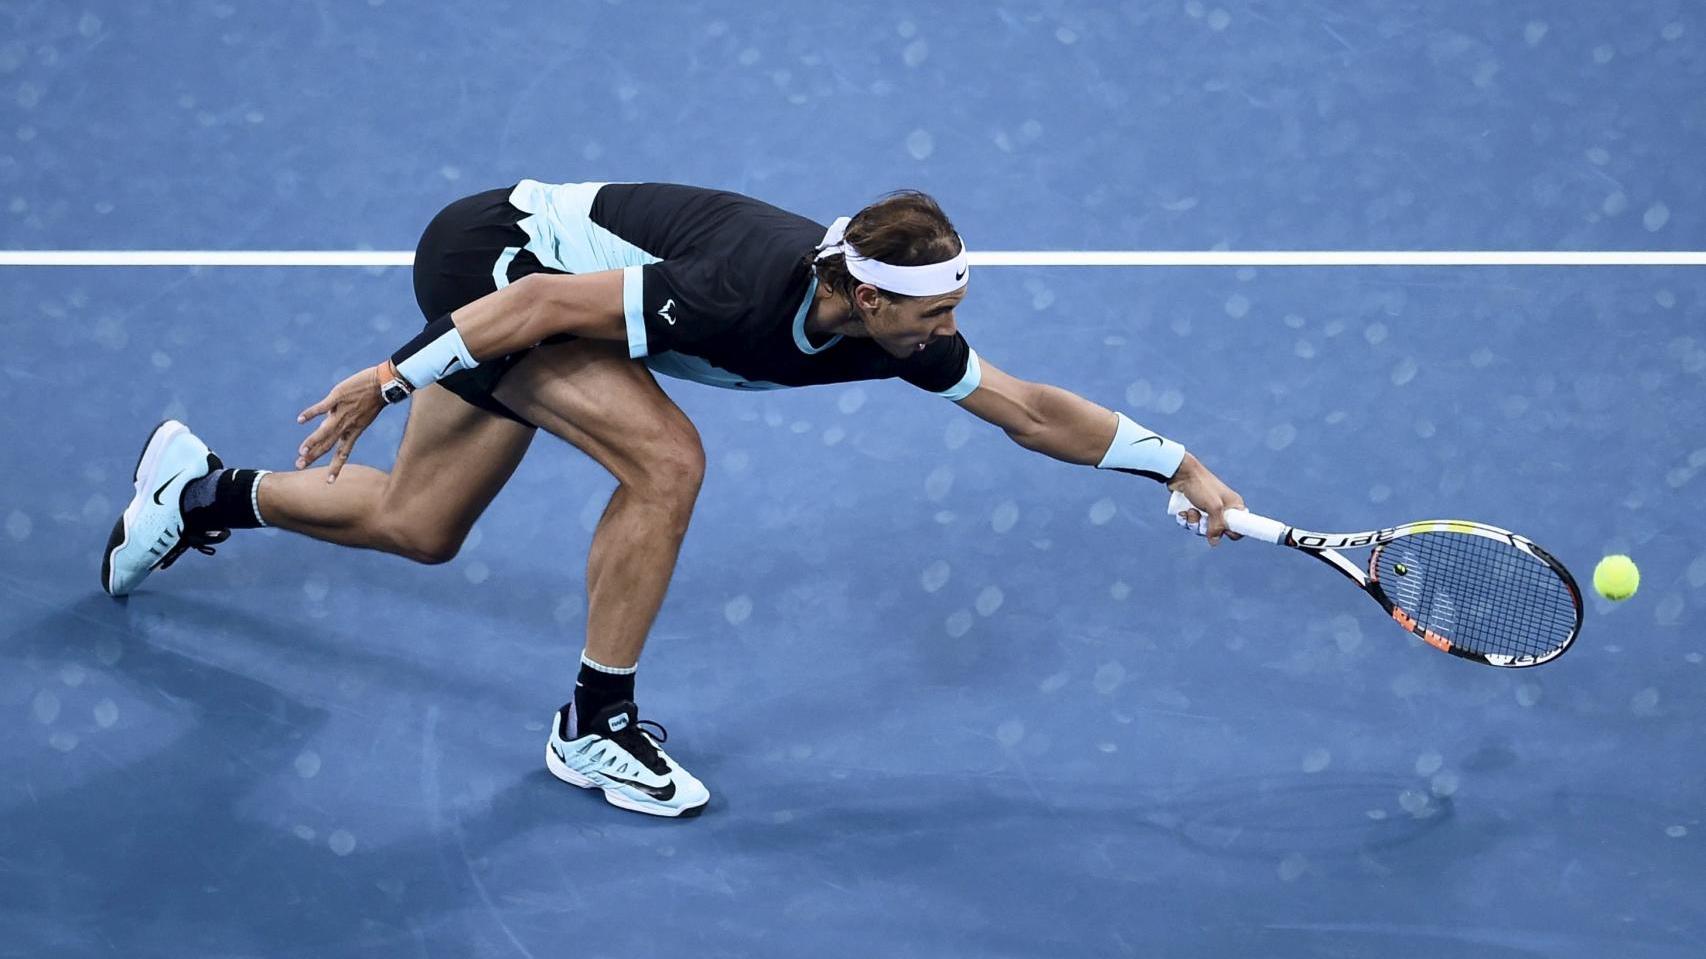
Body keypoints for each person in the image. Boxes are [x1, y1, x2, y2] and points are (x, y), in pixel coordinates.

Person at [100, 180, 1247, 818]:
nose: (946, 334)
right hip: (494, 271)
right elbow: (538, 304)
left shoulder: (892, 337)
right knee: (666, 460)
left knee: (420, 526)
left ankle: (199, 494)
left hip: (537, 301)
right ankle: (593, 727)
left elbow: (1031, 410)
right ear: (857, 293)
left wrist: (1181, 467)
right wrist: (394, 377)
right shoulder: (736, 293)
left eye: (951, 309)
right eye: (929, 315)